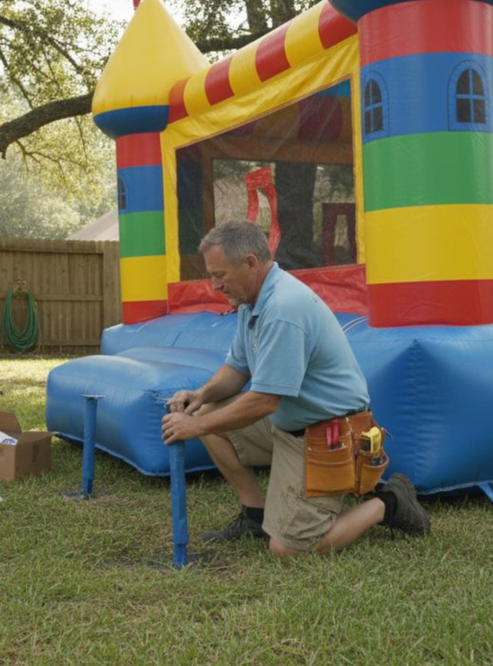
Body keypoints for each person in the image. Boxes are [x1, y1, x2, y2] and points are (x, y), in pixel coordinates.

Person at [161, 221, 429, 556]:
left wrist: (195, 426)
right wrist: (200, 396)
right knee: (206, 412)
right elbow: (237, 368)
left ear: (250, 264)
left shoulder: (284, 309)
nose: (214, 285)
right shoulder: (250, 301)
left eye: (220, 275)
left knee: (290, 549)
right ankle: (255, 515)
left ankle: (389, 502)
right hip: (289, 425)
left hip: (328, 434)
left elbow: (265, 401)